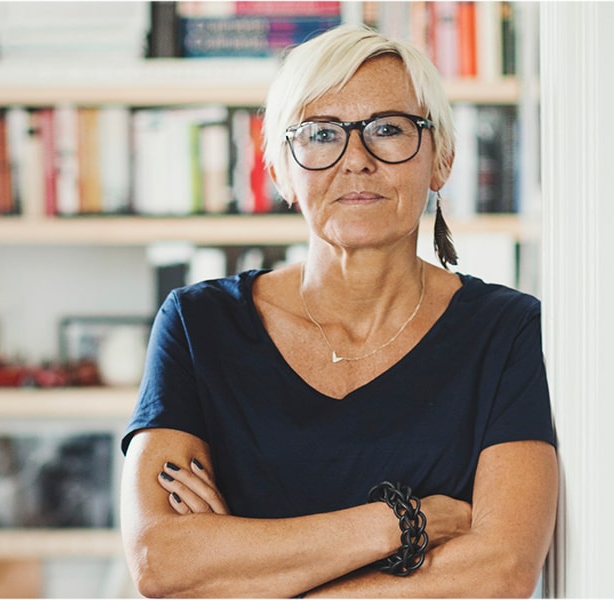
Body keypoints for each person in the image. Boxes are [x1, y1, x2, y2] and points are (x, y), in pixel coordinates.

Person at [119, 24, 558, 598]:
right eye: (321, 134)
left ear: (442, 158)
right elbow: (161, 561)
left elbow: (499, 572)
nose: (356, 159)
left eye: (389, 129)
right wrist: (402, 522)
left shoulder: (508, 331)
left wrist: (245, 573)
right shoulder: (199, 326)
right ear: (279, 170)